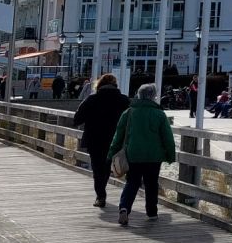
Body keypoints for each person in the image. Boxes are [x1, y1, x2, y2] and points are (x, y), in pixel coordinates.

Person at [108, 83, 176, 227]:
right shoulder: (159, 114)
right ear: (153, 96)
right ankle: (152, 213)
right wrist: (170, 155)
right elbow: (168, 138)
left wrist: (111, 153)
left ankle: (124, 207)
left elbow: (118, 136)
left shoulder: (129, 113)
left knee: (132, 182)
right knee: (151, 184)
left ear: (139, 95)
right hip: (153, 156)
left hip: (133, 154)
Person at [72, 73, 131, 208]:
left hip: (95, 140)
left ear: (99, 85)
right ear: (115, 85)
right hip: (116, 141)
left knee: (98, 169)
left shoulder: (92, 100)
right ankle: (126, 199)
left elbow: (77, 119)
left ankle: (101, 196)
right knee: (109, 167)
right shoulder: (124, 100)